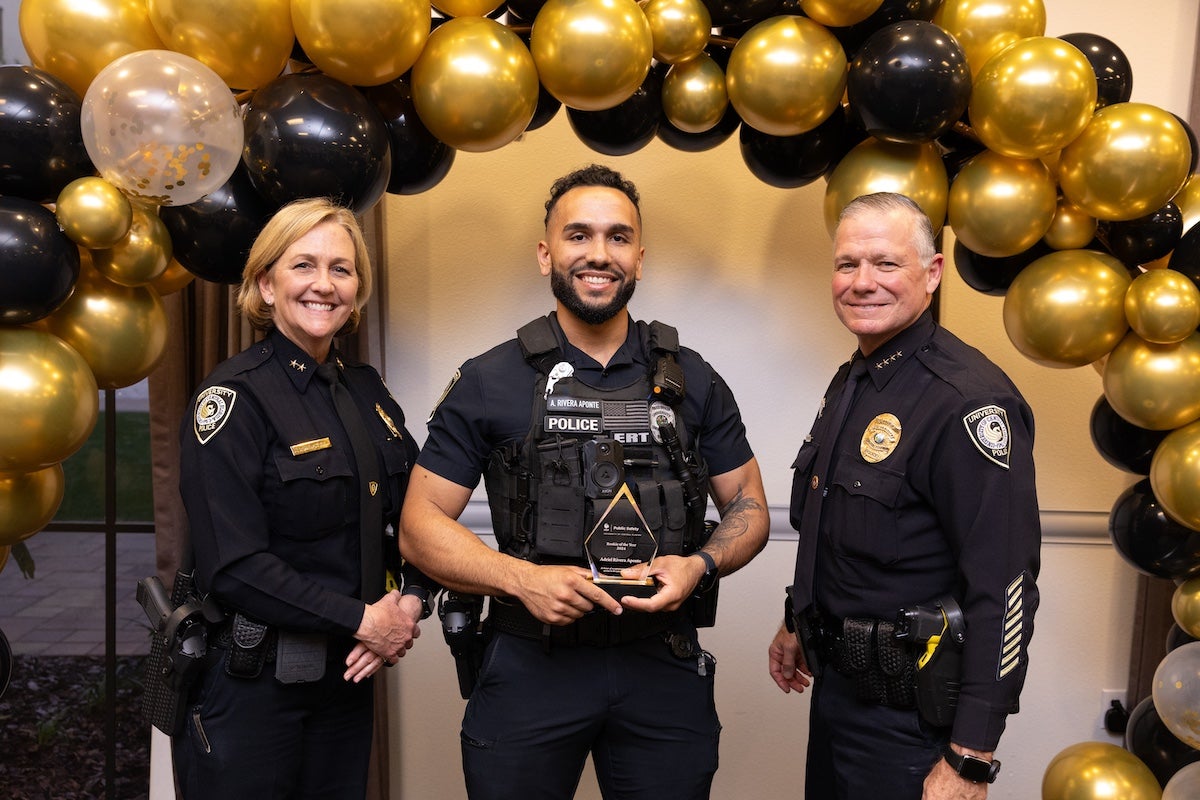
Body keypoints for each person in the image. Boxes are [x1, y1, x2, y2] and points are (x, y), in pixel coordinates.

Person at [399, 164, 770, 799]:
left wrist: (699, 565)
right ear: (546, 254)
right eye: (578, 235)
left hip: (660, 661)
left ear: (640, 259)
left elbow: (751, 506)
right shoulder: (491, 379)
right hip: (530, 664)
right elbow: (418, 524)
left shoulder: (693, 379)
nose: (598, 254)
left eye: (618, 237)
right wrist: (521, 579)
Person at [768, 192, 1041, 799]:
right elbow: (832, 522)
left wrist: (970, 756)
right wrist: (799, 619)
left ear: (933, 273)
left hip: (913, 727)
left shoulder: (965, 402)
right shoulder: (857, 378)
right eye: (847, 265)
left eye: (886, 263)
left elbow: (1005, 589)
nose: (862, 283)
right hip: (838, 700)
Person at [174, 197, 434, 799]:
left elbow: (416, 519)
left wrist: (410, 602)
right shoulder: (233, 398)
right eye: (304, 266)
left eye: (341, 270)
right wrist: (365, 620)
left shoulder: (368, 394)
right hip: (251, 687)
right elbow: (234, 565)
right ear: (266, 284)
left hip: (345, 682)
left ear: (358, 289)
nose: (324, 285)